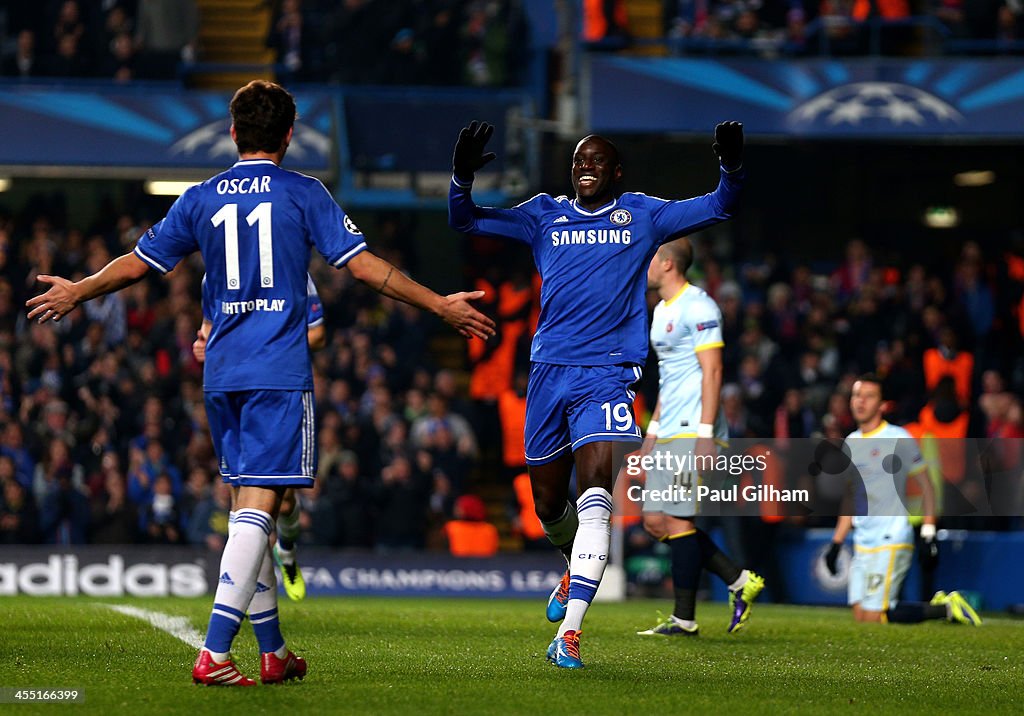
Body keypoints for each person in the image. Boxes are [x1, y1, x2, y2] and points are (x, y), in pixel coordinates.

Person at [28, 79, 495, 686]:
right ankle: (216, 652)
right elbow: (365, 268)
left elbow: (138, 263)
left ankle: (272, 650)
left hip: (221, 371)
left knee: (251, 504)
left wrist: (78, 288)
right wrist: (438, 305)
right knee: (259, 506)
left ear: (232, 133)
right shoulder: (303, 193)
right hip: (277, 369)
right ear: (290, 135)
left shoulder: (200, 196)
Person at [448, 119, 744, 667]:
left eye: (596, 161)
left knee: (596, 499)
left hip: (607, 375)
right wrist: (461, 176)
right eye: (579, 161)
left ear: (617, 172)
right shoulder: (542, 214)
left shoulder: (643, 214)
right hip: (547, 373)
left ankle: (572, 633)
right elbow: (464, 219)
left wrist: (730, 166)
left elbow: (721, 205)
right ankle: (571, 566)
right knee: (547, 504)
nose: (585, 168)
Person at [636, 237, 764, 637]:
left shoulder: (700, 306)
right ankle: (738, 580)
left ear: (669, 264)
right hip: (670, 425)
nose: (647, 265)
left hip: (695, 427)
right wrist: (650, 436)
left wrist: (707, 434)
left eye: (652, 258)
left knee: (677, 518)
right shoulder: (660, 312)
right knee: (656, 521)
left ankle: (684, 619)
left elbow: (713, 371)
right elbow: (670, 381)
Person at [193, 271, 326, 601]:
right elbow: (210, 333)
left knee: (283, 499)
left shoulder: (294, 272)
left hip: (278, 391)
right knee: (242, 495)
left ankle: (288, 550)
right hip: (233, 393)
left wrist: (262, 350)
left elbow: (318, 334)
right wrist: (206, 344)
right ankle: (253, 621)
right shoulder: (217, 273)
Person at [823, 374, 981, 626]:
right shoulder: (851, 442)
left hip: (892, 536)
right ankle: (942, 607)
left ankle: (948, 609)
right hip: (863, 540)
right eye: (856, 395)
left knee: (876, 616)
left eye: (869, 396)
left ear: (883, 404)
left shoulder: (899, 438)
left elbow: (927, 488)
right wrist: (836, 542)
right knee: (861, 616)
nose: (860, 402)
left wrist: (929, 533)